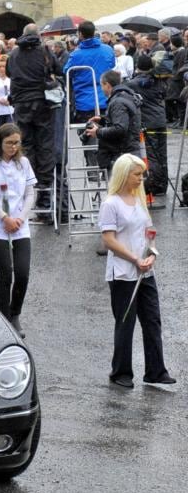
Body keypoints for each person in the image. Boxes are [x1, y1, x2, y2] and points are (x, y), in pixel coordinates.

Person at [98, 154, 175, 388]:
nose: (141, 178)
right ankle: (120, 372)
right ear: (124, 175)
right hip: (123, 273)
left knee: (152, 320)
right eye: (137, 174)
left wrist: (152, 253)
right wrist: (134, 259)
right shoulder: (111, 204)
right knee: (125, 322)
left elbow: (149, 231)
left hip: (145, 271)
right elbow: (108, 241)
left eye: (142, 174)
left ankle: (155, 371)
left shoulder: (140, 199)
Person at [0, 124, 36, 337]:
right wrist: (4, 218)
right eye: (9, 143)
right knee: (6, 273)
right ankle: (4, 316)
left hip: (20, 223)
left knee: (22, 272)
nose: (13, 147)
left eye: (16, 143)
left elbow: (30, 193)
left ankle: (15, 312)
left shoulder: (24, 163)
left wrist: (20, 217)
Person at [8, 23, 60, 221]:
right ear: (38, 35)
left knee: (25, 146)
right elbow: (58, 68)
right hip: (41, 101)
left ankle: (28, 184)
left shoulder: (13, 54)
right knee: (45, 145)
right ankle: (45, 194)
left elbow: (11, 73)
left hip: (21, 103)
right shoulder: (44, 50)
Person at [64, 21, 115, 166]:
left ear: (80, 34)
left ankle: (93, 170)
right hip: (106, 98)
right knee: (109, 134)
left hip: (85, 103)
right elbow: (112, 65)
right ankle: (107, 168)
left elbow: (66, 72)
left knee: (89, 136)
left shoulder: (76, 54)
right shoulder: (107, 50)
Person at [84, 70, 141, 174]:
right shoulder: (125, 96)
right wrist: (103, 120)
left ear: (107, 85)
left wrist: (97, 132)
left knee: (118, 189)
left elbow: (120, 128)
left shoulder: (117, 102)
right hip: (128, 152)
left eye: (101, 85)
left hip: (122, 155)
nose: (101, 89)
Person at [130, 55, 169, 204]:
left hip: (148, 122)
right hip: (160, 120)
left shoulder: (134, 83)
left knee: (151, 155)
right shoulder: (158, 80)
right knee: (161, 154)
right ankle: (162, 185)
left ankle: (155, 185)